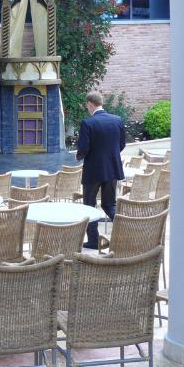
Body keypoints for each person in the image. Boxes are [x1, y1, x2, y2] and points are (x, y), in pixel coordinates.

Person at [75, 91, 126, 249]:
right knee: (109, 204)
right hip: (112, 169)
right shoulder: (117, 120)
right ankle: (127, 232)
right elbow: (121, 144)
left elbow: (84, 148)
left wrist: (78, 156)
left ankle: (93, 241)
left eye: (87, 106)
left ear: (90, 104)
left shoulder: (87, 123)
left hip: (93, 171)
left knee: (89, 205)